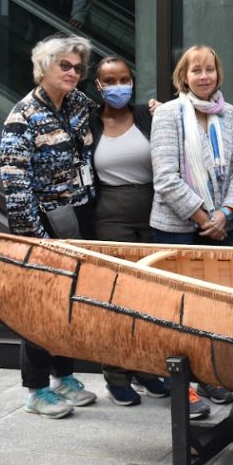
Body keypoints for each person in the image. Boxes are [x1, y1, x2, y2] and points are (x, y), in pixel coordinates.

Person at [0, 33, 100, 419]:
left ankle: (65, 376)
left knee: (68, 303)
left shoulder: (78, 104)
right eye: (65, 66)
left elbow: (111, 116)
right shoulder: (21, 117)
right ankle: (37, 389)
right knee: (39, 306)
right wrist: (38, 242)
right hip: (42, 225)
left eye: (78, 67)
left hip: (80, 217)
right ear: (44, 68)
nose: (74, 73)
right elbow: (15, 187)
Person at [150, 44, 233, 416]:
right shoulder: (169, 114)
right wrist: (205, 219)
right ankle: (182, 388)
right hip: (177, 228)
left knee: (212, 309)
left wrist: (225, 212)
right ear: (183, 76)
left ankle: (209, 375)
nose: (204, 76)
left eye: (210, 69)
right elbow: (165, 178)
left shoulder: (232, 115)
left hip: (223, 226)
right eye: (196, 70)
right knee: (177, 310)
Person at [89, 56, 170, 408]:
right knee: (118, 297)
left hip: (154, 214)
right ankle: (117, 374)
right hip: (111, 219)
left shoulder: (147, 116)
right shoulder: (88, 123)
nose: (118, 85)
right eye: (111, 80)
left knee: (151, 298)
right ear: (99, 85)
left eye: (124, 78)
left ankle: (147, 369)